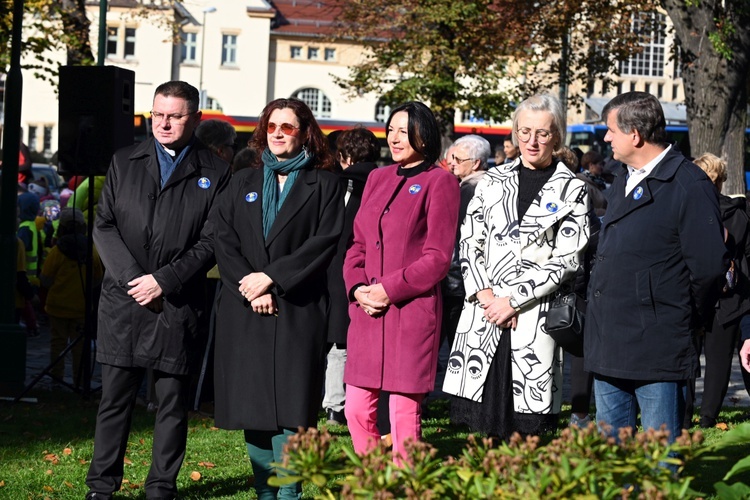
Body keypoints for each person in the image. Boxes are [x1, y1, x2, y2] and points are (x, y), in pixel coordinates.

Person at [85, 81, 231, 500]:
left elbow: (211, 241)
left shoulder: (216, 173)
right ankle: (101, 486)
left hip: (176, 304)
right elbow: (104, 225)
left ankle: (161, 486)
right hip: (124, 299)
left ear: (196, 119)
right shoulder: (123, 161)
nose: (164, 123)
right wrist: (135, 278)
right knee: (114, 399)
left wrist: (163, 280)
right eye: (157, 115)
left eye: (175, 116)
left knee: (171, 401)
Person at [212, 97, 344, 499]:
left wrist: (271, 278)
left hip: (296, 307)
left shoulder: (325, 183)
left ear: (305, 132)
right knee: (253, 407)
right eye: (272, 127)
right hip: (244, 308)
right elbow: (223, 237)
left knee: (293, 409)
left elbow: (324, 243)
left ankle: (289, 494)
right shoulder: (243, 182)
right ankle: (264, 493)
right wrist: (251, 286)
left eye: (288, 127)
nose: (279, 135)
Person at [442, 94, 590, 440]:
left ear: (557, 136)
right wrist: (487, 297)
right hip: (485, 314)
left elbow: (567, 259)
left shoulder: (572, 189)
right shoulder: (492, 181)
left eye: (542, 133)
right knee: (484, 431)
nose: (532, 141)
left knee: (528, 429)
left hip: (533, 317)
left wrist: (512, 301)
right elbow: (469, 241)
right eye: (524, 132)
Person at [584, 92, 727, 446]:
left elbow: (709, 269)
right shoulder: (623, 177)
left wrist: (679, 316)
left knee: (658, 461)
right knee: (611, 459)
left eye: (610, 130)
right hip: (610, 342)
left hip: (659, 345)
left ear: (635, 135)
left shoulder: (688, 184)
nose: (605, 138)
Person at [343, 101, 459, 462]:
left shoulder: (440, 181)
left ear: (424, 134)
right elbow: (357, 244)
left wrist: (389, 289)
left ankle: (406, 482)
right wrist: (358, 288)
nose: (395, 137)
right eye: (391, 129)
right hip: (367, 311)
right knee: (356, 410)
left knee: (403, 414)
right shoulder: (378, 178)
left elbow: (438, 257)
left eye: (404, 129)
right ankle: (375, 477)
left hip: (410, 312)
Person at [685, 153, 750, 428]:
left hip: (691, 292)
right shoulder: (739, 215)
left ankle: (683, 416)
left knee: (685, 359)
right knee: (719, 360)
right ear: (721, 180)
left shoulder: (689, 210)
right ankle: (708, 417)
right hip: (728, 297)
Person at [323, 126, 380, 426]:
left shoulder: (336, 184)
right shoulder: (386, 182)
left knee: (338, 341)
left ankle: (335, 403)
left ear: (343, 156)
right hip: (374, 271)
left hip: (336, 266)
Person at [439, 135, 490, 380]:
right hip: (468, 277)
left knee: (457, 340)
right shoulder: (486, 184)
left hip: (458, 278)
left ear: (477, 163)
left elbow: (459, 236)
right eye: (452, 158)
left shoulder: (471, 189)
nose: (453, 163)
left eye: (459, 159)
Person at [40, 208, 103, 388]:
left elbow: (45, 280)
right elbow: (97, 279)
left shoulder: (57, 252)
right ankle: (80, 383)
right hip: (81, 308)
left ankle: (57, 381)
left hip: (57, 307)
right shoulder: (91, 252)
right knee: (80, 348)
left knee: (57, 345)